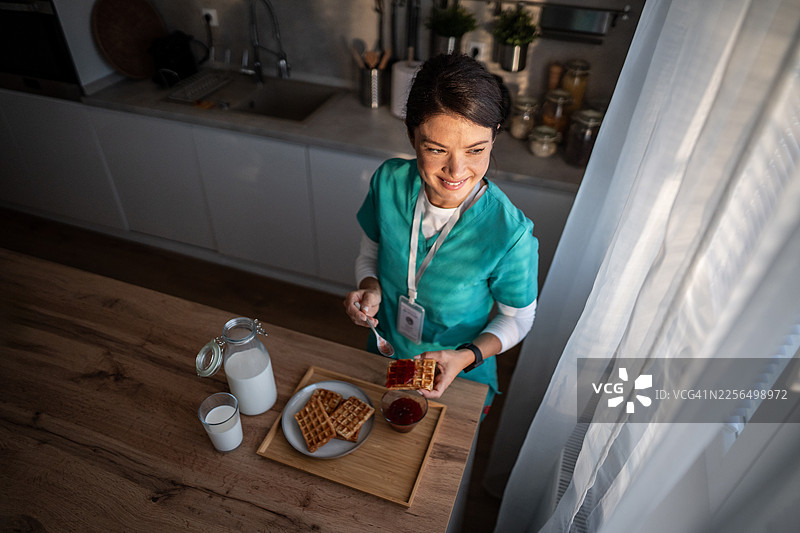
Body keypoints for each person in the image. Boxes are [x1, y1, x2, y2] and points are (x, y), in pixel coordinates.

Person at [343, 53, 538, 413]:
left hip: (459, 372)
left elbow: (517, 317)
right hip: (388, 350)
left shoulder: (509, 234)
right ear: (411, 135)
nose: (456, 171)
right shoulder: (388, 182)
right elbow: (370, 253)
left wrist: (466, 356)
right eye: (436, 149)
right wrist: (370, 289)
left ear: (494, 137)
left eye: (476, 150)